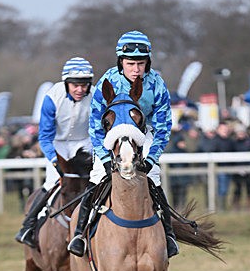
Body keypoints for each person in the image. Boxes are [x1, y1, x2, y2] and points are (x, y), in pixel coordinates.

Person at [67, 31, 178, 258]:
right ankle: (79, 234)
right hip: (111, 137)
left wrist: (151, 158)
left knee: (154, 178)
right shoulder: (105, 83)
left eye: (141, 63)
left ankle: (168, 235)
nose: (136, 69)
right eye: (131, 64)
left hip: (142, 134)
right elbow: (96, 126)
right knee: (97, 176)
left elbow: (164, 126)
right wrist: (106, 159)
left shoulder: (156, 83)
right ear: (121, 62)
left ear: (148, 62)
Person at [15, 57, 94, 247]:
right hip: (57, 144)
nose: (80, 90)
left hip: (85, 143)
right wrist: (53, 159)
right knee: (52, 182)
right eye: (75, 85)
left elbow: (98, 129)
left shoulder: (96, 96)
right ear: (66, 83)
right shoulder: (52, 98)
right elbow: (45, 137)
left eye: (84, 85)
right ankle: (28, 226)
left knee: (96, 181)